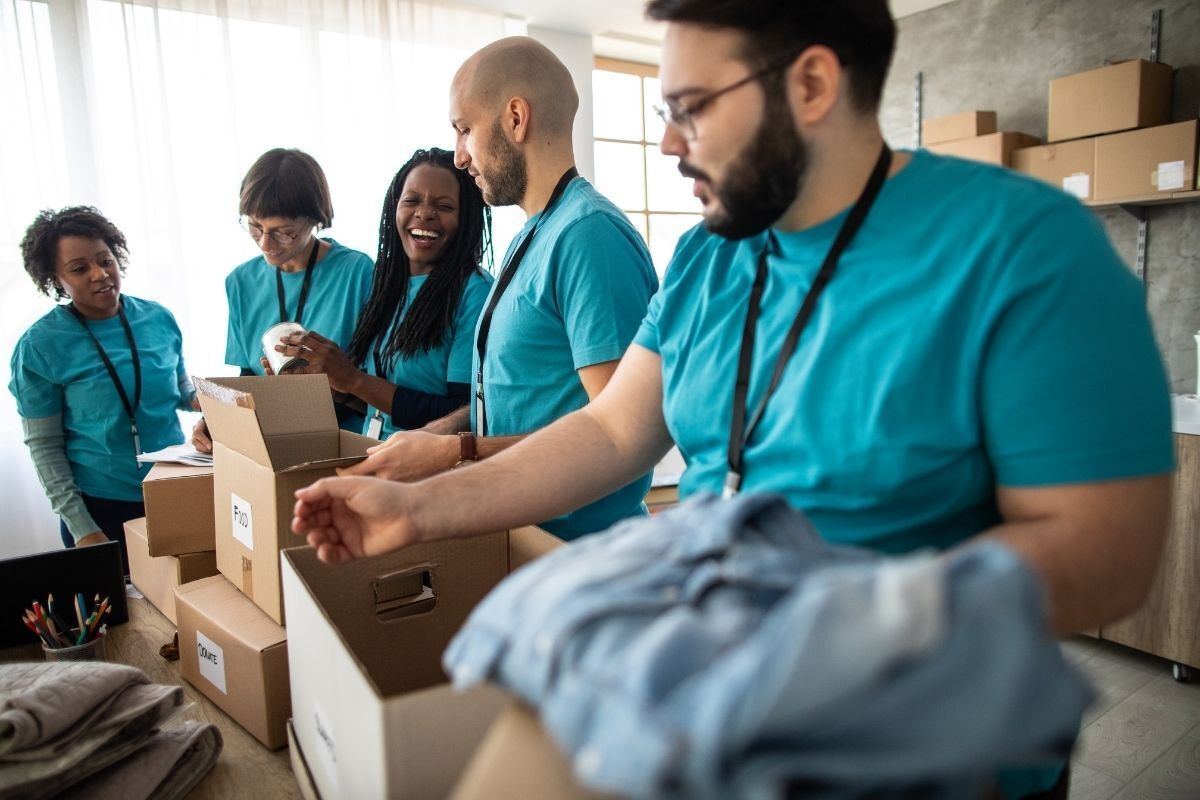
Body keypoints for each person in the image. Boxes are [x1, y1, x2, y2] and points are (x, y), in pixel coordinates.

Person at [292, 3, 1173, 797]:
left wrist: (846, 618)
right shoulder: (711, 258)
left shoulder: (1025, 250)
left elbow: (1109, 553)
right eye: (664, 115)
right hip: (714, 685)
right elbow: (607, 431)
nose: (671, 145)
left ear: (813, 83)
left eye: (692, 108)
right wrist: (417, 507)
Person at [335, 37, 659, 540]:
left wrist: (455, 452)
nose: (460, 157)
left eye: (465, 129)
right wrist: (441, 432)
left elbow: (622, 439)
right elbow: (518, 401)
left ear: (515, 118)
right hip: (521, 533)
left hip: (580, 550)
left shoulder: (588, 236)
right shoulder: (530, 235)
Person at [10, 206, 198, 573]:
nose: (100, 275)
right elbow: (45, 448)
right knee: (122, 627)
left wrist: (231, 398)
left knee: (187, 610)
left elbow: (180, 392)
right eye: (79, 269)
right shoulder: (39, 346)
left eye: (105, 260)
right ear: (54, 278)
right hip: (100, 509)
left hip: (173, 491)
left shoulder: (158, 318)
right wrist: (83, 530)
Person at [268, 147, 494, 439]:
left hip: (429, 472)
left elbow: (465, 413)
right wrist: (330, 383)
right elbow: (378, 402)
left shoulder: (475, 293)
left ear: (467, 219)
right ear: (394, 208)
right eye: (411, 201)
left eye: (444, 206)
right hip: (374, 456)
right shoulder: (387, 284)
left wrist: (354, 379)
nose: (424, 213)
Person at [192, 148, 373, 451]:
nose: (265, 243)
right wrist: (219, 419)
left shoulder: (358, 272)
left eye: (283, 232)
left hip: (345, 441)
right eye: (255, 227)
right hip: (272, 443)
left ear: (316, 219)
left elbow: (375, 379)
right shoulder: (240, 281)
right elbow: (248, 375)